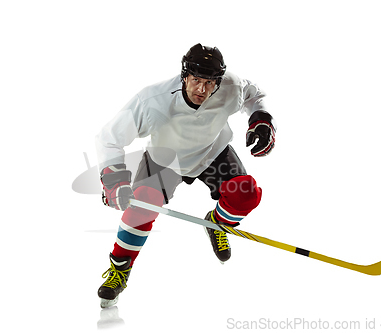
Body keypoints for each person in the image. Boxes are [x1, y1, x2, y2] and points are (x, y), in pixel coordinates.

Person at [95, 43, 276, 308]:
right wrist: (114, 181)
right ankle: (120, 269)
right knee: (141, 207)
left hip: (212, 152)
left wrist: (261, 119)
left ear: (218, 81)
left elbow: (254, 95)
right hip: (164, 159)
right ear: (184, 75)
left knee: (246, 194)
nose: (202, 90)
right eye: (196, 81)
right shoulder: (152, 100)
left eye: (209, 83)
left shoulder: (231, 86)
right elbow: (109, 138)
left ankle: (217, 223)